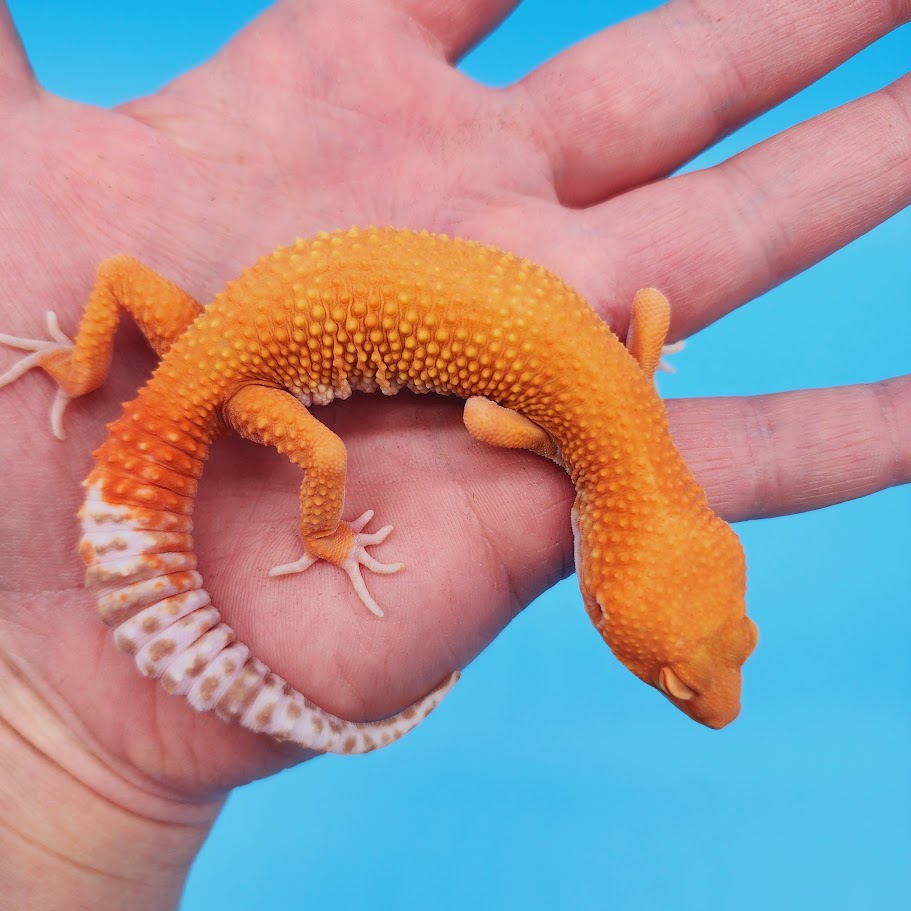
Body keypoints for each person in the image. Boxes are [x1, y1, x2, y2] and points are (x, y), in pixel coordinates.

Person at [0, 1, 907, 906]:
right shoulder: (586, 428)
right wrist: (344, 533)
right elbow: (483, 419)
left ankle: (76, 370)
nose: (709, 696)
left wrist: (597, 390)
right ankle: (325, 541)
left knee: (123, 283)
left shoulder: (626, 390)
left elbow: (649, 310)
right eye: (675, 677)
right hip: (241, 385)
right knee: (323, 459)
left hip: (217, 336)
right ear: (597, 590)